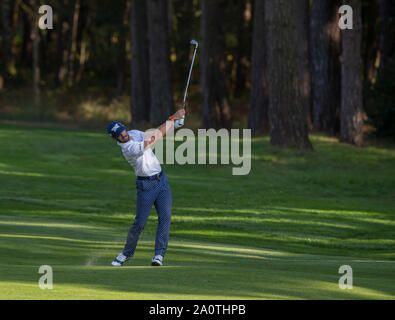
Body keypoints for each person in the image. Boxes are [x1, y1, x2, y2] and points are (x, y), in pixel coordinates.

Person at [107, 109, 185, 266]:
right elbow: (152, 140)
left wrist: (175, 124)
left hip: (161, 181)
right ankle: (126, 254)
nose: (125, 135)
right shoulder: (128, 149)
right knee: (140, 223)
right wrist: (171, 118)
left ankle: (159, 255)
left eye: (124, 131)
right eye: (120, 135)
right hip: (146, 186)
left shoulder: (134, 133)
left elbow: (156, 133)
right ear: (114, 138)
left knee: (165, 218)